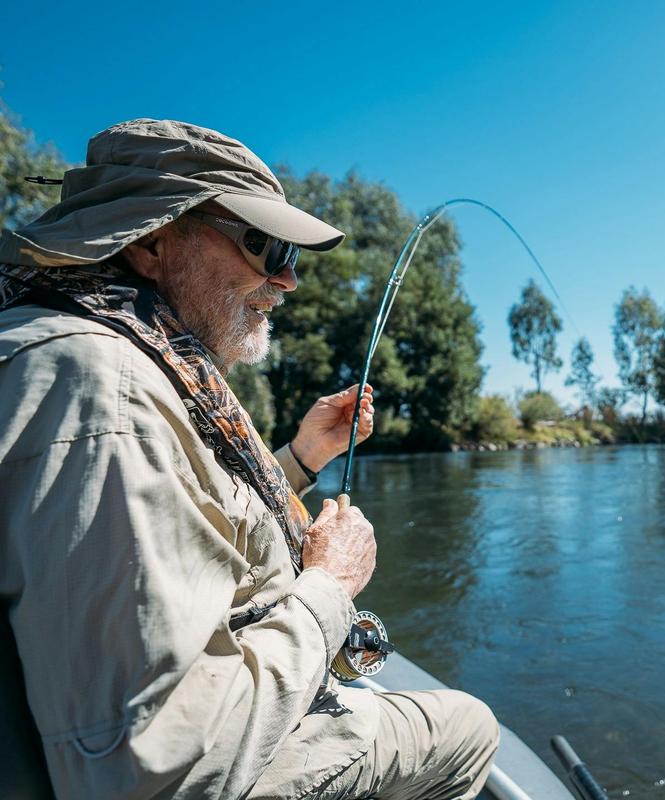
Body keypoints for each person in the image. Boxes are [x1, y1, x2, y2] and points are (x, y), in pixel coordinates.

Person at [0, 119, 499, 799]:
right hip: (201, 763)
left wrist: (299, 456)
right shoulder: (100, 386)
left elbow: (181, 513)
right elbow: (153, 769)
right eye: (264, 246)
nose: (289, 281)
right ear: (151, 241)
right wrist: (329, 586)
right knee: (469, 729)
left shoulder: (101, 347)